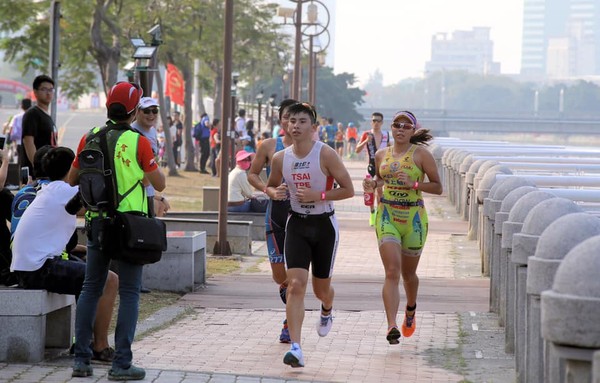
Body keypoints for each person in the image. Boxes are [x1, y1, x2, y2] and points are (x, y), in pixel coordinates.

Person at [69, 81, 166, 380]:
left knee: (90, 288)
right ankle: (122, 363)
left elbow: (73, 179)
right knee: (130, 291)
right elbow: (159, 183)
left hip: (97, 224)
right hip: (129, 227)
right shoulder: (138, 142)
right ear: (134, 110)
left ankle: (81, 361)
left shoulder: (89, 137)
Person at [266, 102, 354, 368]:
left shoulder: (325, 154)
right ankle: (296, 347)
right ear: (285, 125)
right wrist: (274, 192)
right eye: (291, 121)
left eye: (302, 121)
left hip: (324, 225)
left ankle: (327, 308)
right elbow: (270, 186)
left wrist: (320, 195)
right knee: (295, 286)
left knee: (321, 289)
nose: (295, 125)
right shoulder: (280, 158)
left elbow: (349, 189)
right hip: (297, 225)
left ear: (314, 127)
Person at [10, 146, 118, 361]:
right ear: (71, 169)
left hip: (30, 266)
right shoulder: (65, 191)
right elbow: (101, 204)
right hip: (38, 268)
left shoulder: (51, 190)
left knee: (88, 275)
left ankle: (84, 342)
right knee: (109, 280)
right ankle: (100, 346)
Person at [362, 111, 442, 345]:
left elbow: (438, 187)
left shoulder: (422, 155)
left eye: (406, 126)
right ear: (392, 127)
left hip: (414, 218)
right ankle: (391, 325)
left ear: (413, 131)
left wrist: (414, 183)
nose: (400, 129)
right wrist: (371, 183)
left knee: (408, 274)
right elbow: (379, 179)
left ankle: (410, 308)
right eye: (397, 125)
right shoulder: (380, 154)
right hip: (387, 214)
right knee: (391, 271)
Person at [247, 98, 297, 343]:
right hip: (275, 215)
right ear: (281, 120)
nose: (293, 123)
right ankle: (287, 292)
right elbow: (252, 173)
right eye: (288, 117)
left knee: (297, 274)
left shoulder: (315, 148)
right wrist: (269, 190)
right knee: (281, 275)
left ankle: (289, 323)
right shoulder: (268, 146)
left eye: (299, 119)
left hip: (302, 216)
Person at [131, 97, 170, 218]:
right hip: (136, 197)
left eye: (154, 110)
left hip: (149, 192)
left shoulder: (152, 131)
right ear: (137, 112)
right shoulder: (132, 133)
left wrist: (158, 197)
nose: (151, 114)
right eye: (146, 111)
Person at [356, 112, 392, 226]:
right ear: (371, 122)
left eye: (378, 121)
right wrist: (366, 141)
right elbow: (357, 150)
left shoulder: (386, 135)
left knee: (380, 192)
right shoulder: (366, 134)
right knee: (370, 190)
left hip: (383, 167)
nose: (376, 123)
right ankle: (372, 213)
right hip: (371, 167)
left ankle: (380, 214)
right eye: (373, 120)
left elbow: (391, 148)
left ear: (382, 123)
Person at [22, 75, 58, 174]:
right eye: (44, 89)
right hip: (36, 174)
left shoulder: (47, 115)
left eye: (51, 90)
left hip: (48, 170)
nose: (48, 93)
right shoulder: (32, 114)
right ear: (35, 92)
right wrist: (38, 167)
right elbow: (28, 142)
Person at [8, 98, 32, 164]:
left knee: (20, 162)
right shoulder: (33, 117)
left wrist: (13, 142)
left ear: (22, 106)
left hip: (19, 143)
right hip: (31, 143)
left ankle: (20, 173)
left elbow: (11, 129)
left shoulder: (17, 117)